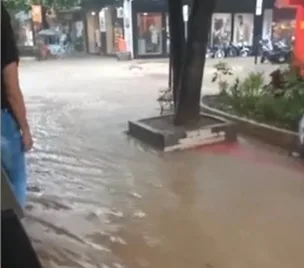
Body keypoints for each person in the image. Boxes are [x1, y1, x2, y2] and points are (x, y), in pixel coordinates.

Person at [1, 3, 33, 207]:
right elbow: (12, 90)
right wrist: (25, 130)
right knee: (16, 180)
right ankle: (15, 228)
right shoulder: (4, 38)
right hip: (3, 122)